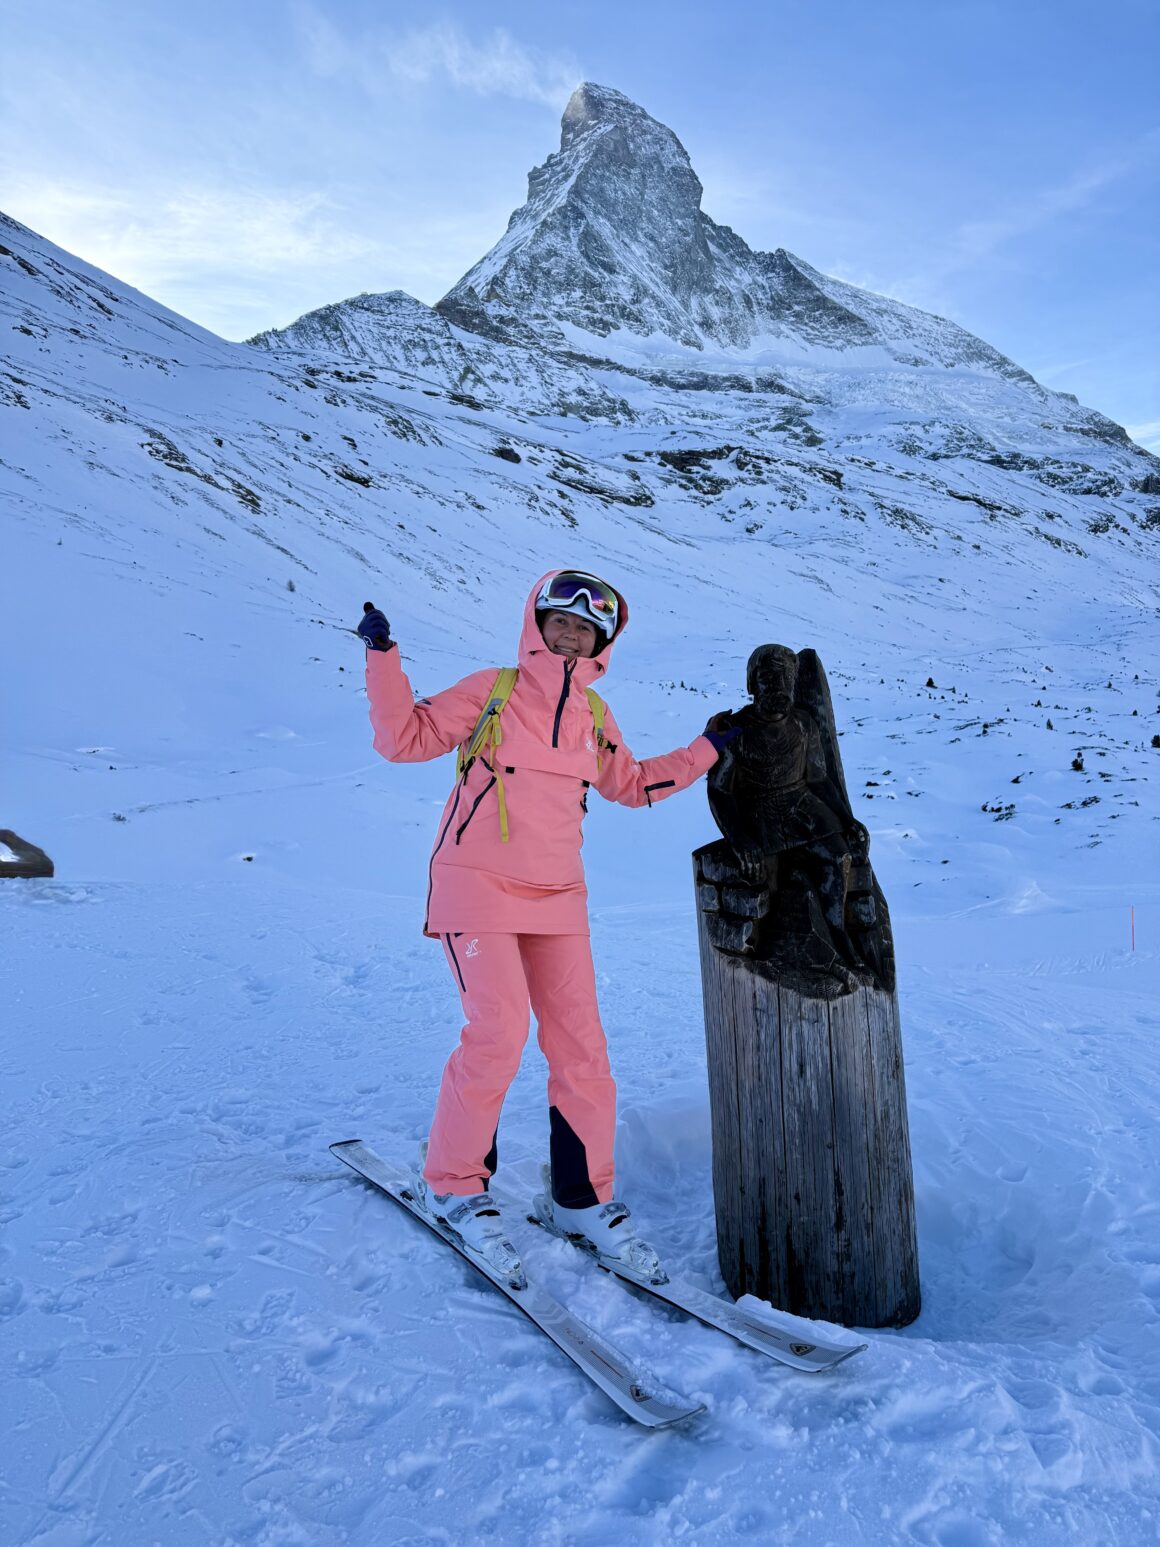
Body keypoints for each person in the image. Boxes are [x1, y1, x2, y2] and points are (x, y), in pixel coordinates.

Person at [358, 570, 729, 1280]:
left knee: (582, 1047)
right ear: (537, 623)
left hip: (558, 896)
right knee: (498, 1032)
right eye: (560, 621)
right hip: (477, 885)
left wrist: (708, 748)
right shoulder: (493, 689)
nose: (570, 633)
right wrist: (384, 660)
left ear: (601, 642)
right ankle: (452, 1186)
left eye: (585, 628)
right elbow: (402, 739)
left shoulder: (593, 713)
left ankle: (579, 1200)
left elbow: (632, 784)